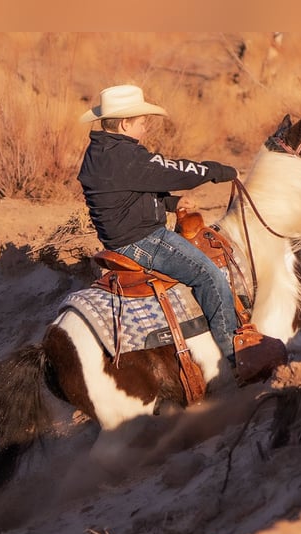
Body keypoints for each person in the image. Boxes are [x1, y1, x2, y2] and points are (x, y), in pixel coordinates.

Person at [77, 84, 240, 369]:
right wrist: (221, 172)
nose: (145, 129)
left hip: (120, 235)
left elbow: (124, 192)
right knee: (209, 276)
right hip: (142, 239)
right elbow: (176, 172)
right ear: (126, 123)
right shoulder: (126, 156)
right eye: (142, 123)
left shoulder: (101, 150)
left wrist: (170, 203)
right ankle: (235, 355)